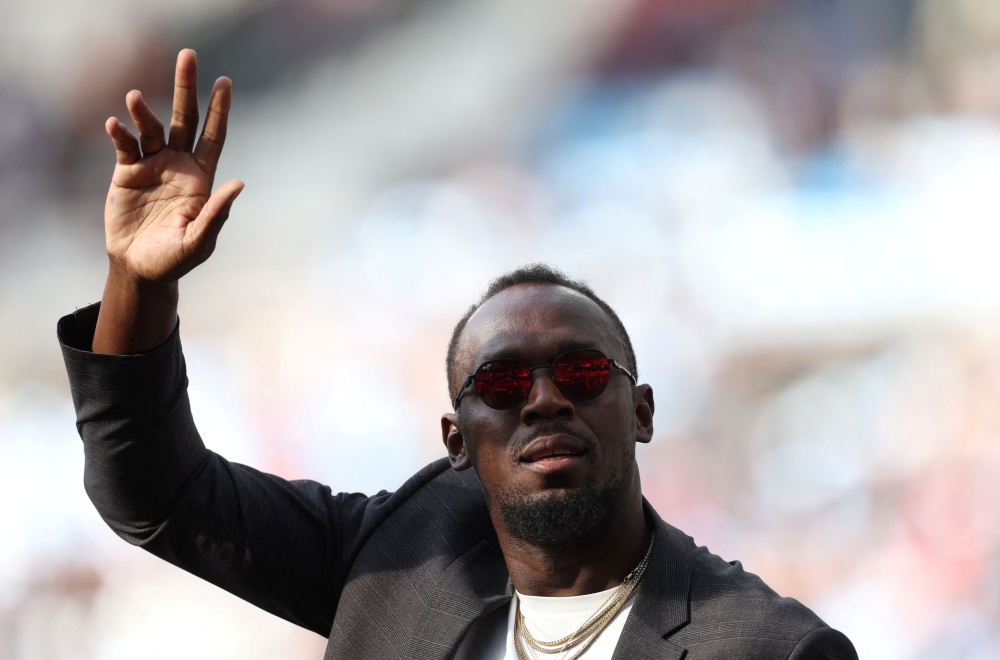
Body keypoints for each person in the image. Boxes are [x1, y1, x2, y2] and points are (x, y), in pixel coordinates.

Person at [58, 49, 858, 659]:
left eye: (581, 372)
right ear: (455, 443)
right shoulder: (402, 553)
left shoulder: (767, 646)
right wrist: (138, 283)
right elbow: (153, 493)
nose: (545, 400)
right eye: (503, 383)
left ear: (642, 412)